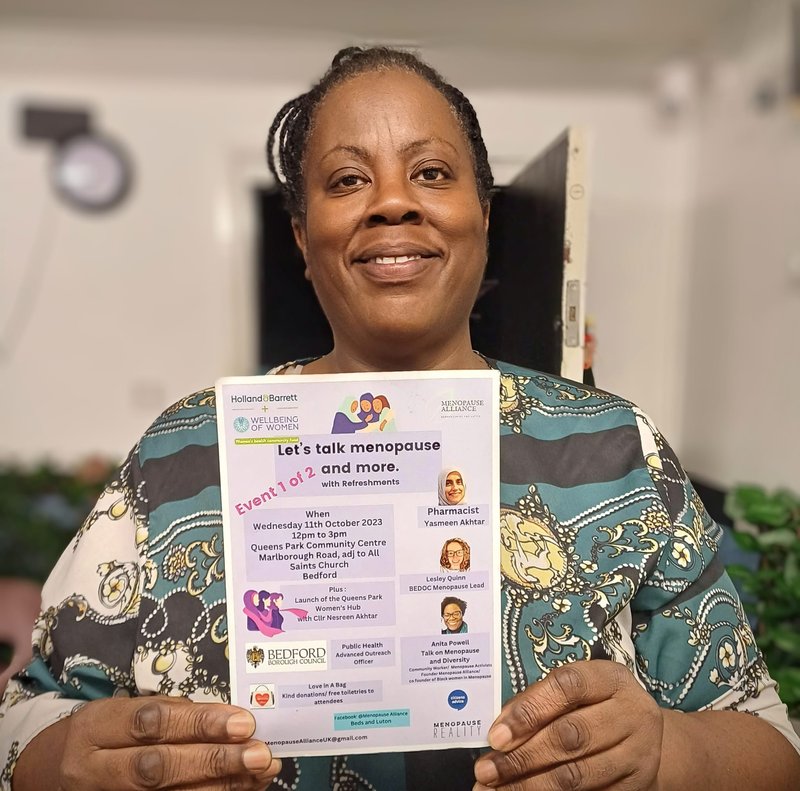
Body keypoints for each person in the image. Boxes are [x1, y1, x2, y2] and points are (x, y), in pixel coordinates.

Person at [2, 44, 799, 791]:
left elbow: (770, 742)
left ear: (482, 215)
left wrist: (669, 752)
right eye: (348, 180)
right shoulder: (184, 449)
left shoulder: (612, 449)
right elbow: (25, 719)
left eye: (431, 172)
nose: (392, 203)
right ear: (302, 236)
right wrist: (66, 760)